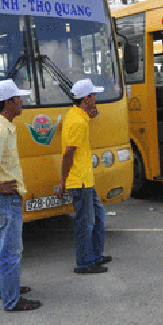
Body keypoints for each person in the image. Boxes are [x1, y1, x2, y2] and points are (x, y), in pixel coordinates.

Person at [0, 79, 42, 312]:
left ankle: (4, 289)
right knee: (11, 251)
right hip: (6, 198)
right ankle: (12, 300)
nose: (21, 103)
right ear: (8, 103)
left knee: (3, 248)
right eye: (18, 99)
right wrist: (1, 186)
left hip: (5, 198)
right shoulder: (1, 130)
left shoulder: (2, 126)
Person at [57, 78, 112, 274]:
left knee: (97, 217)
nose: (96, 98)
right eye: (93, 95)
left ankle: (95, 256)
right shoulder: (78, 122)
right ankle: (84, 262)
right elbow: (68, 154)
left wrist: (92, 114)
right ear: (85, 99)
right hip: (79, 181)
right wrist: (63, 182)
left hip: (85, 179)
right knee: (84, 223)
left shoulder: (75, 115)